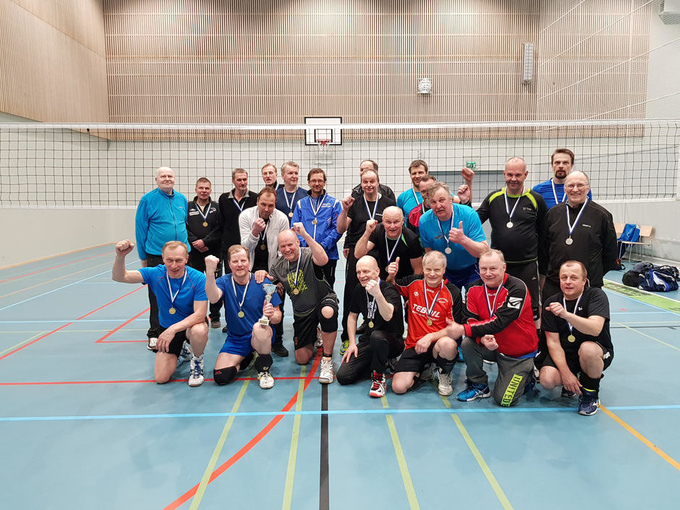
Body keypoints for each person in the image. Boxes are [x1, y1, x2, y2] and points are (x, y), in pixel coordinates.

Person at [447, 250, 539, 406]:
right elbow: (470, 319)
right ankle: (479, 385)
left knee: (504, 400)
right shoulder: (472, 288)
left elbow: (500, 322)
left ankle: (527, 375)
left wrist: (463, 329)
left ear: (504, 267)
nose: (488, 273)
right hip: (491, 345)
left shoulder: (517, 288)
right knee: (468, 344)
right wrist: (481, 338)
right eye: (483, 268)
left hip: (517, 354)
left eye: (493, 268)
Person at [112, 239, 208, 386]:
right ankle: (181, 350)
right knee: (161, 378)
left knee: (199, 331)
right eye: (169, 260)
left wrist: (173, 329)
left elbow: (200, 315)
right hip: (166, 327)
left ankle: (197, 360)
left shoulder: (198, 278)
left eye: (178, 260)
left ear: (186, 259)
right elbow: (120, 277)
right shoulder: (155, 273)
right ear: (163, 259)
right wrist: (120, 256)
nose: (174, 265)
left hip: (189, 326)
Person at [472, 157, 548, 322]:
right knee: (499, 306)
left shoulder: (536, 199)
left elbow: (544, 233)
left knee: (531, 307)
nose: (513, 179)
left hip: (527, 264)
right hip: (499, 266)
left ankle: (535, 337)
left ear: (526, 175)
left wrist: (543, 265)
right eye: (510, 174)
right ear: (504, 174)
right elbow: (474, 221)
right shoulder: (493, 198)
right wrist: (465, 201)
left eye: (518, 175)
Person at [537, 260, 614, 415]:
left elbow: (595, 329)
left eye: (574, 278)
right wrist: (566, 374)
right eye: (564, 277)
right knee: (547, 380)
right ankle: (574, 382)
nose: (568, 282)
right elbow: (553, 343)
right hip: (567, 353)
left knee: (588, 349)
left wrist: (565, 315)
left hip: (595, 351)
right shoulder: (552, 302)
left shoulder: (596, 296)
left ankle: (590, 393)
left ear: (584, 281)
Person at [386, 251, 463, 396]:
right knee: (398, 387)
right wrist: (391, 275)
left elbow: (454, 329)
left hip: (437, 345)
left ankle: (444, 373)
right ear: (423, 268)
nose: (432, 274)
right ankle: (424, 369)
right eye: (428, 269)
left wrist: (430, 337)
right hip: (414, 346)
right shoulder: (413, 283)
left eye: (437, 270)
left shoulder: (453, 293)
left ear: (444, 270)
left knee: (448, 344)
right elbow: (390, 287)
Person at [269, 224, 339, 383]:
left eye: (290, 244)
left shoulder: (309, 253)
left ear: (298, 242)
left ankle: (327, 359)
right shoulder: (278, 267)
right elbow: (269, 286)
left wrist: (305, 235)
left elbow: (323, 259)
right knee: (301, 358)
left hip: (323, 300)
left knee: (327, 312)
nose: (287, 249)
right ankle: (316, 331)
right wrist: (261, 275)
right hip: (303, 311)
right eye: (283, 246)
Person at [204, 247, 282, 389]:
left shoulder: (262, 282)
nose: (239, 264)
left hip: (259, 335)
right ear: (229, 264)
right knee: (221, 376)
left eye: (243, 260)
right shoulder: (224, 281)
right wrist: (210, 273)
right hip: (236, 338)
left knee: (258, 328)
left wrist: (271, 315)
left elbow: (277, 317)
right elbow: (213, 298)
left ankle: (264, 369)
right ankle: (248, 356)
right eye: (235, 261)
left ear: (249, 262)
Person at [337, 169, 396, 353]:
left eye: (372, 181)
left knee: (381, 292)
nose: (369, 185)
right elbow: (341, 229)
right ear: (361, 184)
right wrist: (345, 209)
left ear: (378, 183)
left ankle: (383, 335)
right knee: (351, 294)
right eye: (365, 182)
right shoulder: (355, 203)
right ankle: (347, 338)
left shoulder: (387, 203)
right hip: (358, 254)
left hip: (380, 253)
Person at [135, 166, 189, 351]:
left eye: (170, 176)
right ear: (156, 180)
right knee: (157, 295)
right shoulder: (147, 200)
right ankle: (154, 333)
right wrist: (143, 257)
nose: (167, 179)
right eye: (163, 176)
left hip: (181, 256)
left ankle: (181, 333)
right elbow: (140, 229)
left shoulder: (182, 199)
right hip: (157, 255)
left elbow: (183, 224)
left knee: (182, 294)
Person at [543, 171, 618, 301]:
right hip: (555, 285)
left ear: (588, 188)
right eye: (571, 185)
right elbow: (544, 249)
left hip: (589, 286)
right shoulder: (553, 214)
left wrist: (591, 275)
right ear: (565, 189)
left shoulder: (601, 215)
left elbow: (610, 254)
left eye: (580, 185)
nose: (575, 189)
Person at [336, 256, 404, 397]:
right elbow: (352, 316)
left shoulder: (389, 290)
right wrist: (352, 343)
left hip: (392, 341)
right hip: (369, 341)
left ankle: (379, 377)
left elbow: (387, 315)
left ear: (377, 271)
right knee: (343, 376)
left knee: (377, 336)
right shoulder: (359, 289)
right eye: (358, 272)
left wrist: (377, 295)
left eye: (366, 271)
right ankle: (380, 362)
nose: (362, 276)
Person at [239, 187, 290, 357]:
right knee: (251, 305)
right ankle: (250, 342)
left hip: (273, 269)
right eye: (263, 204)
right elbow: (244, 248)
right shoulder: (246, 216)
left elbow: (283, 252)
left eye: (271, 205)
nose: (267, 209)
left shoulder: (281, 218)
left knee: (276, 305)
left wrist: (278, 278)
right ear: (257, 202)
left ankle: (277, 341)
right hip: (251, 270)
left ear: (275, 204)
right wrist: (255, 232)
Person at [419, 181, 488, 289]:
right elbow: (429, 252)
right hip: (445, 271)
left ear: (451, 199)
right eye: (433, 202)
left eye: (442, 200)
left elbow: (484, 251)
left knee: (473, 297)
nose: (438, 206)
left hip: (471, 268)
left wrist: (463, 240)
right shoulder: (424, 221)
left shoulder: (469, 214)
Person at [218, 168, 258, 332]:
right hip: (230, 249)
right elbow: (221, 223)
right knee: (231, 288)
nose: (242, 182)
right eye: (239, 180)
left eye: (244, 179)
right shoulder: (224, 199)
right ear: (233, 181)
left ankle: (249, 318)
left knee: (247, 286)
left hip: (248, 248)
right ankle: (231, 321)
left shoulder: (254, 198)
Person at [291, 167, 342, 286]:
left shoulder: (334, 203)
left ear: (325, 182)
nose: (317, 183)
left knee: (327, 288)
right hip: (305, 255)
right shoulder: (301, 204)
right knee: (306, 288)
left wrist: (322, 246)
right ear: (309, 183)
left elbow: (338, 229)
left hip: (328, 254)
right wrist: (306, 246)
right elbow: (294, 228)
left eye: (320, 180)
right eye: (314, 181)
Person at [187, 177, 223, 329]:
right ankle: (198, 315)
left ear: (210, 190)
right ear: (196, 189)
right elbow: (184, 227)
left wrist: (205, 242)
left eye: (206, 188)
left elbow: (220, 228)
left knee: (214, 283)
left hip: (213, 251)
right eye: (201, 188)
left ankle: (215, 316)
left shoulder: (217, 207)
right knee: (195, 284)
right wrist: (195, 242)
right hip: (194, 253)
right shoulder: (188, 207)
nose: (204, 191)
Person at [354, 205, 423, 280]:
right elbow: (358, 254)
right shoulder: (378, 230)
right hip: (381, 279)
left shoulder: (411, 239)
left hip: (403, 281)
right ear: (383, 221)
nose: (392, 226)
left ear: (403, 221)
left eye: (396, 222)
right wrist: (367, 232)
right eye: (388, 222)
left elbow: (418, 270)